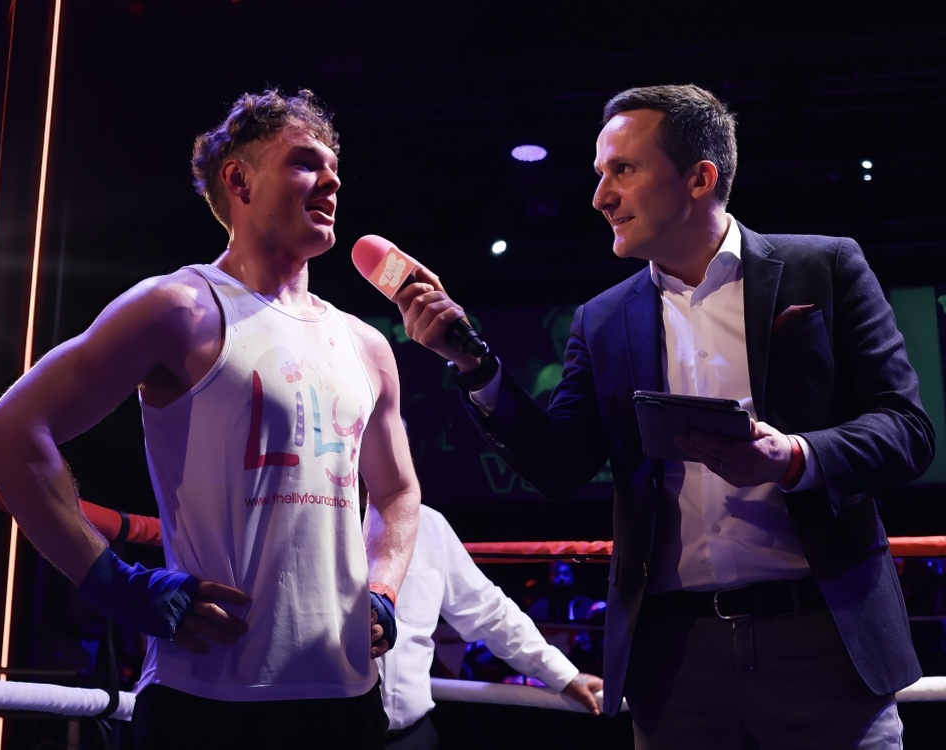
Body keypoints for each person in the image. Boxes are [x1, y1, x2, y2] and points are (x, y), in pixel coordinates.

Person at [394, 84, 935, 749]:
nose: (600, 196)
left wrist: (792, 455)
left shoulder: (823, 267)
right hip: (675, 661)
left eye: (622, 169)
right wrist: (472, 364)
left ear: (700, 178)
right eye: (599, 174)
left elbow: (908, 431)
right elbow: (559, 465)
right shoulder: (602, 318)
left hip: (822, 636)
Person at [0, 87, 421, 749]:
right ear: (238, 178)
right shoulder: (179, 307)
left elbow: (398, 491)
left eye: (333, 167)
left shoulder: (367, 345)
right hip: (208, 699)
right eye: (304, 162)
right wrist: (116, 584)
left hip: (348, 698)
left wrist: (382, 590)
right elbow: (7, 436)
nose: (331, 180)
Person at [378, 504, 602, 749]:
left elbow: (487, 610)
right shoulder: (330, 528)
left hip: (414, 734)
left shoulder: (428, 524)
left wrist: (565, 675)